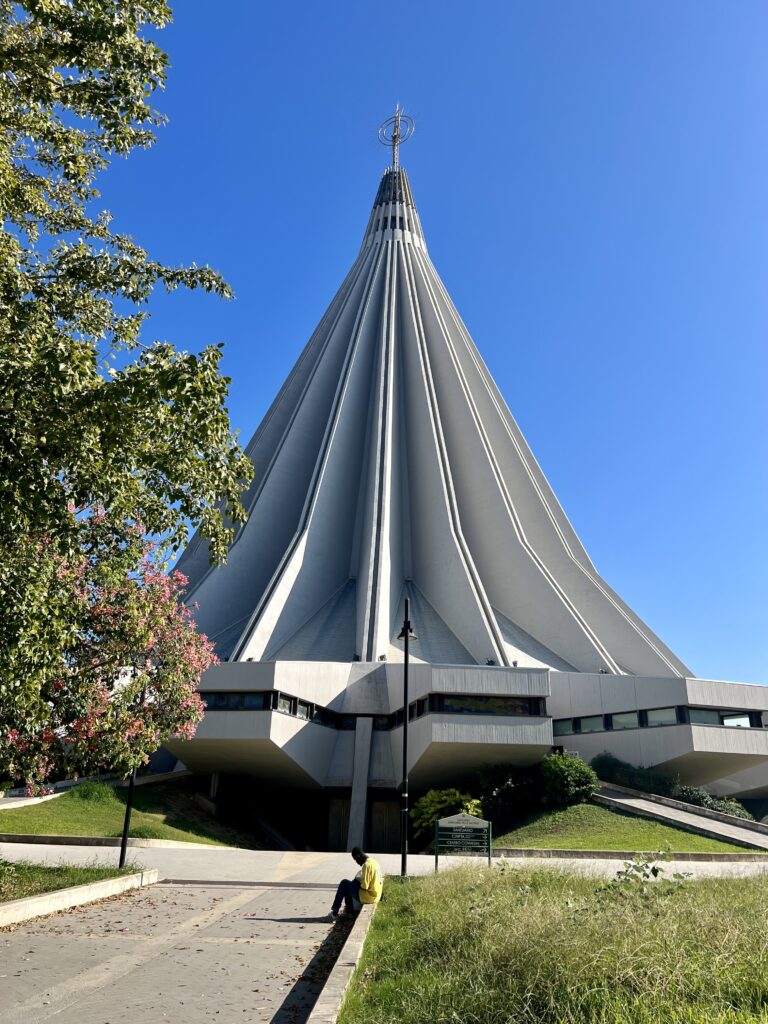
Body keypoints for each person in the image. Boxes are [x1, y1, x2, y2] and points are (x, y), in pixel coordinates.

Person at [328, 846, 383, 920]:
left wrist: (356, 883)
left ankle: (335, 912)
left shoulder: (366, 865)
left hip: (369, 897)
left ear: (358, 856)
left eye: (356, 860)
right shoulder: (374, 862)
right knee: (349, 885)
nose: (357, 862)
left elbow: (364, 887)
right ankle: (349, 913)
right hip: (376, 895)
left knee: (344, 883)